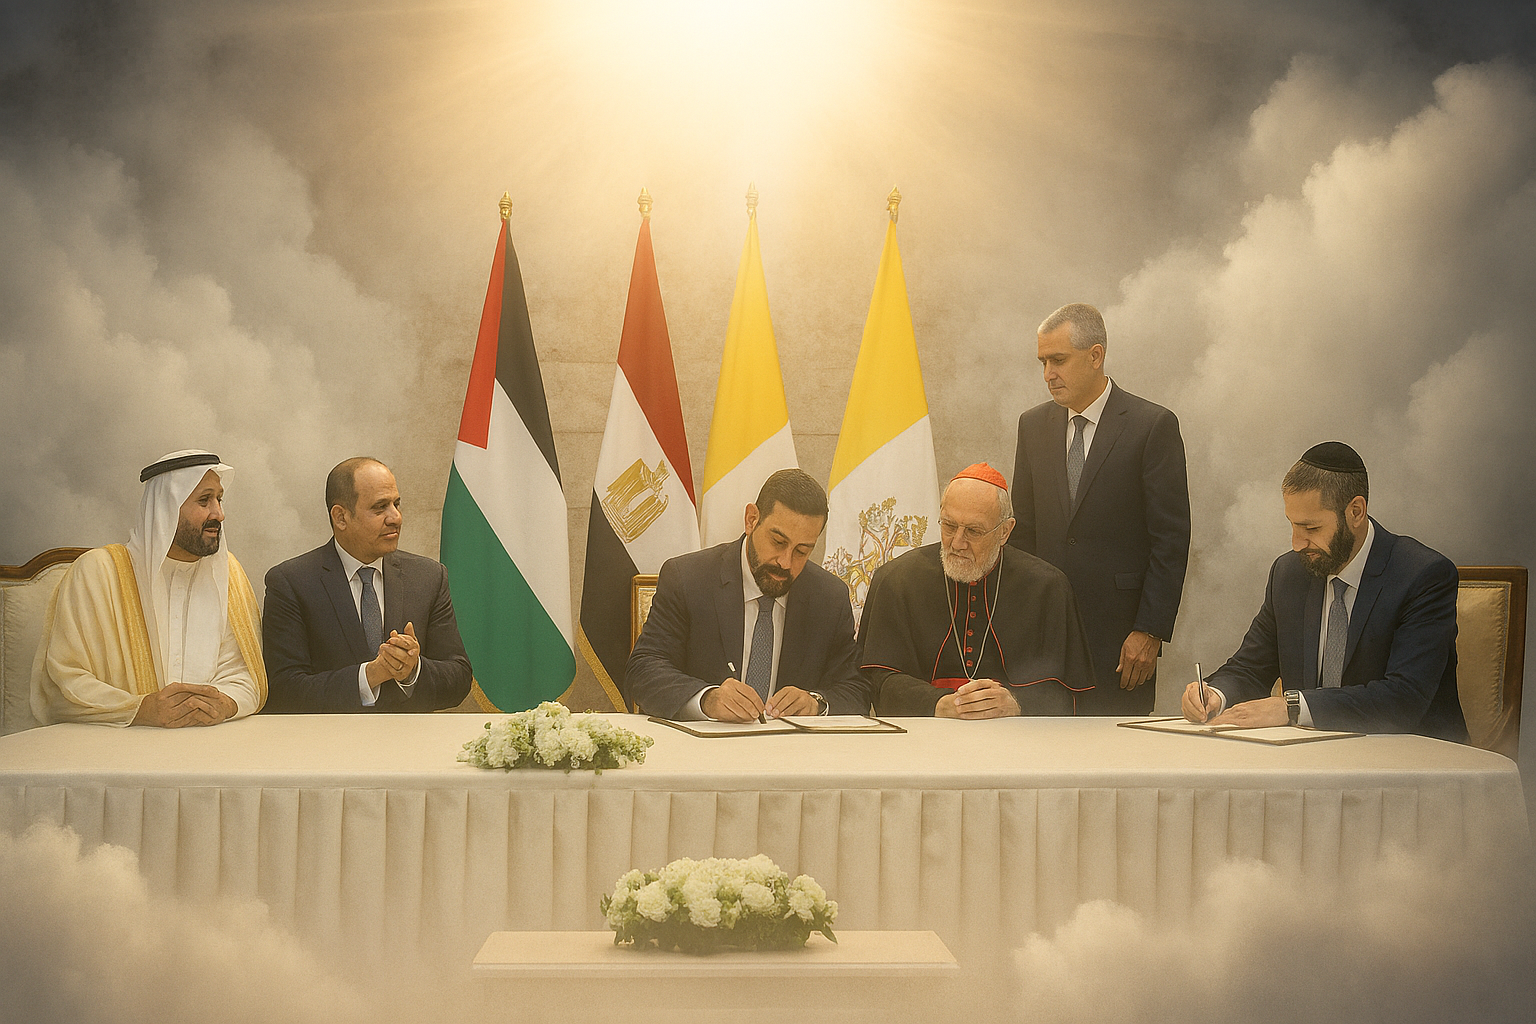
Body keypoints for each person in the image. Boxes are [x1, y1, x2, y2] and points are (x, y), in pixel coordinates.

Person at [1182, 442, 1466, 739]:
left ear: (1355, 512)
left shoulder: (1422, 575)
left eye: (1311, 529)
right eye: (1292, 526)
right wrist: (1215, 694)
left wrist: (1292, 708)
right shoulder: (1289, 574)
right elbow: (1250, 668)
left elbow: (1404, 699)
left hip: (1413, 760)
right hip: (1308, 758)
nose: (1297, 543)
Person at [1010, 302, 1190, 715]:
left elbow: (1171, 540)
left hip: (1122, 645)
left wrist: (1149, 631)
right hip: (1043, 646)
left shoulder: (1152, 426)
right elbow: (1024, 535)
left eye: (1058, 360)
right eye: (1042, 362)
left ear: (1096, 355)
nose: (1047, 374)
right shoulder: (1032, 425)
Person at [32, 450, 266, 726]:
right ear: (166, 509)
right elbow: (64, 680)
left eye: (219, 499)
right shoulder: (98, 573)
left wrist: (224, 703)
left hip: (210, 741)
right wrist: (140, 708)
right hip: (114, 743)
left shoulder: (229, 574)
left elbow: (242, 673)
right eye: (204, 500)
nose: (220, 514)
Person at [626, 469, 869, 722]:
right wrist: (707, 699)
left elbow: (857, 689)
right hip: (705, 750)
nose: (785, 563)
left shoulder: (828, 597)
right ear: (752, 519)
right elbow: (643, 670)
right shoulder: (688, 579)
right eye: (778, 542)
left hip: (792, 754)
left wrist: (816, 703)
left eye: (802, 551)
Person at [858, 464, 1095, 718]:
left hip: (1019, 741)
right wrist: (938, 704)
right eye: (949, 526)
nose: (957, 543)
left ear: (1005, 531)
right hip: (923, 737)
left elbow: (1070, 694)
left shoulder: (1047, 586)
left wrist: (1016, 703)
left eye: (973, 531)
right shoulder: (896, 580)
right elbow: (877, 682)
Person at [262, 457, 472, 713]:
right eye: (380, 507)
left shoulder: (428, 577)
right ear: (340, 517)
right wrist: (370, 675)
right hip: (328, 746)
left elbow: (459, 678)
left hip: (410, 745)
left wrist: (413, 670)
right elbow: (284, 691)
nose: (395, 517)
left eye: (396, 504)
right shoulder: (290, 583)